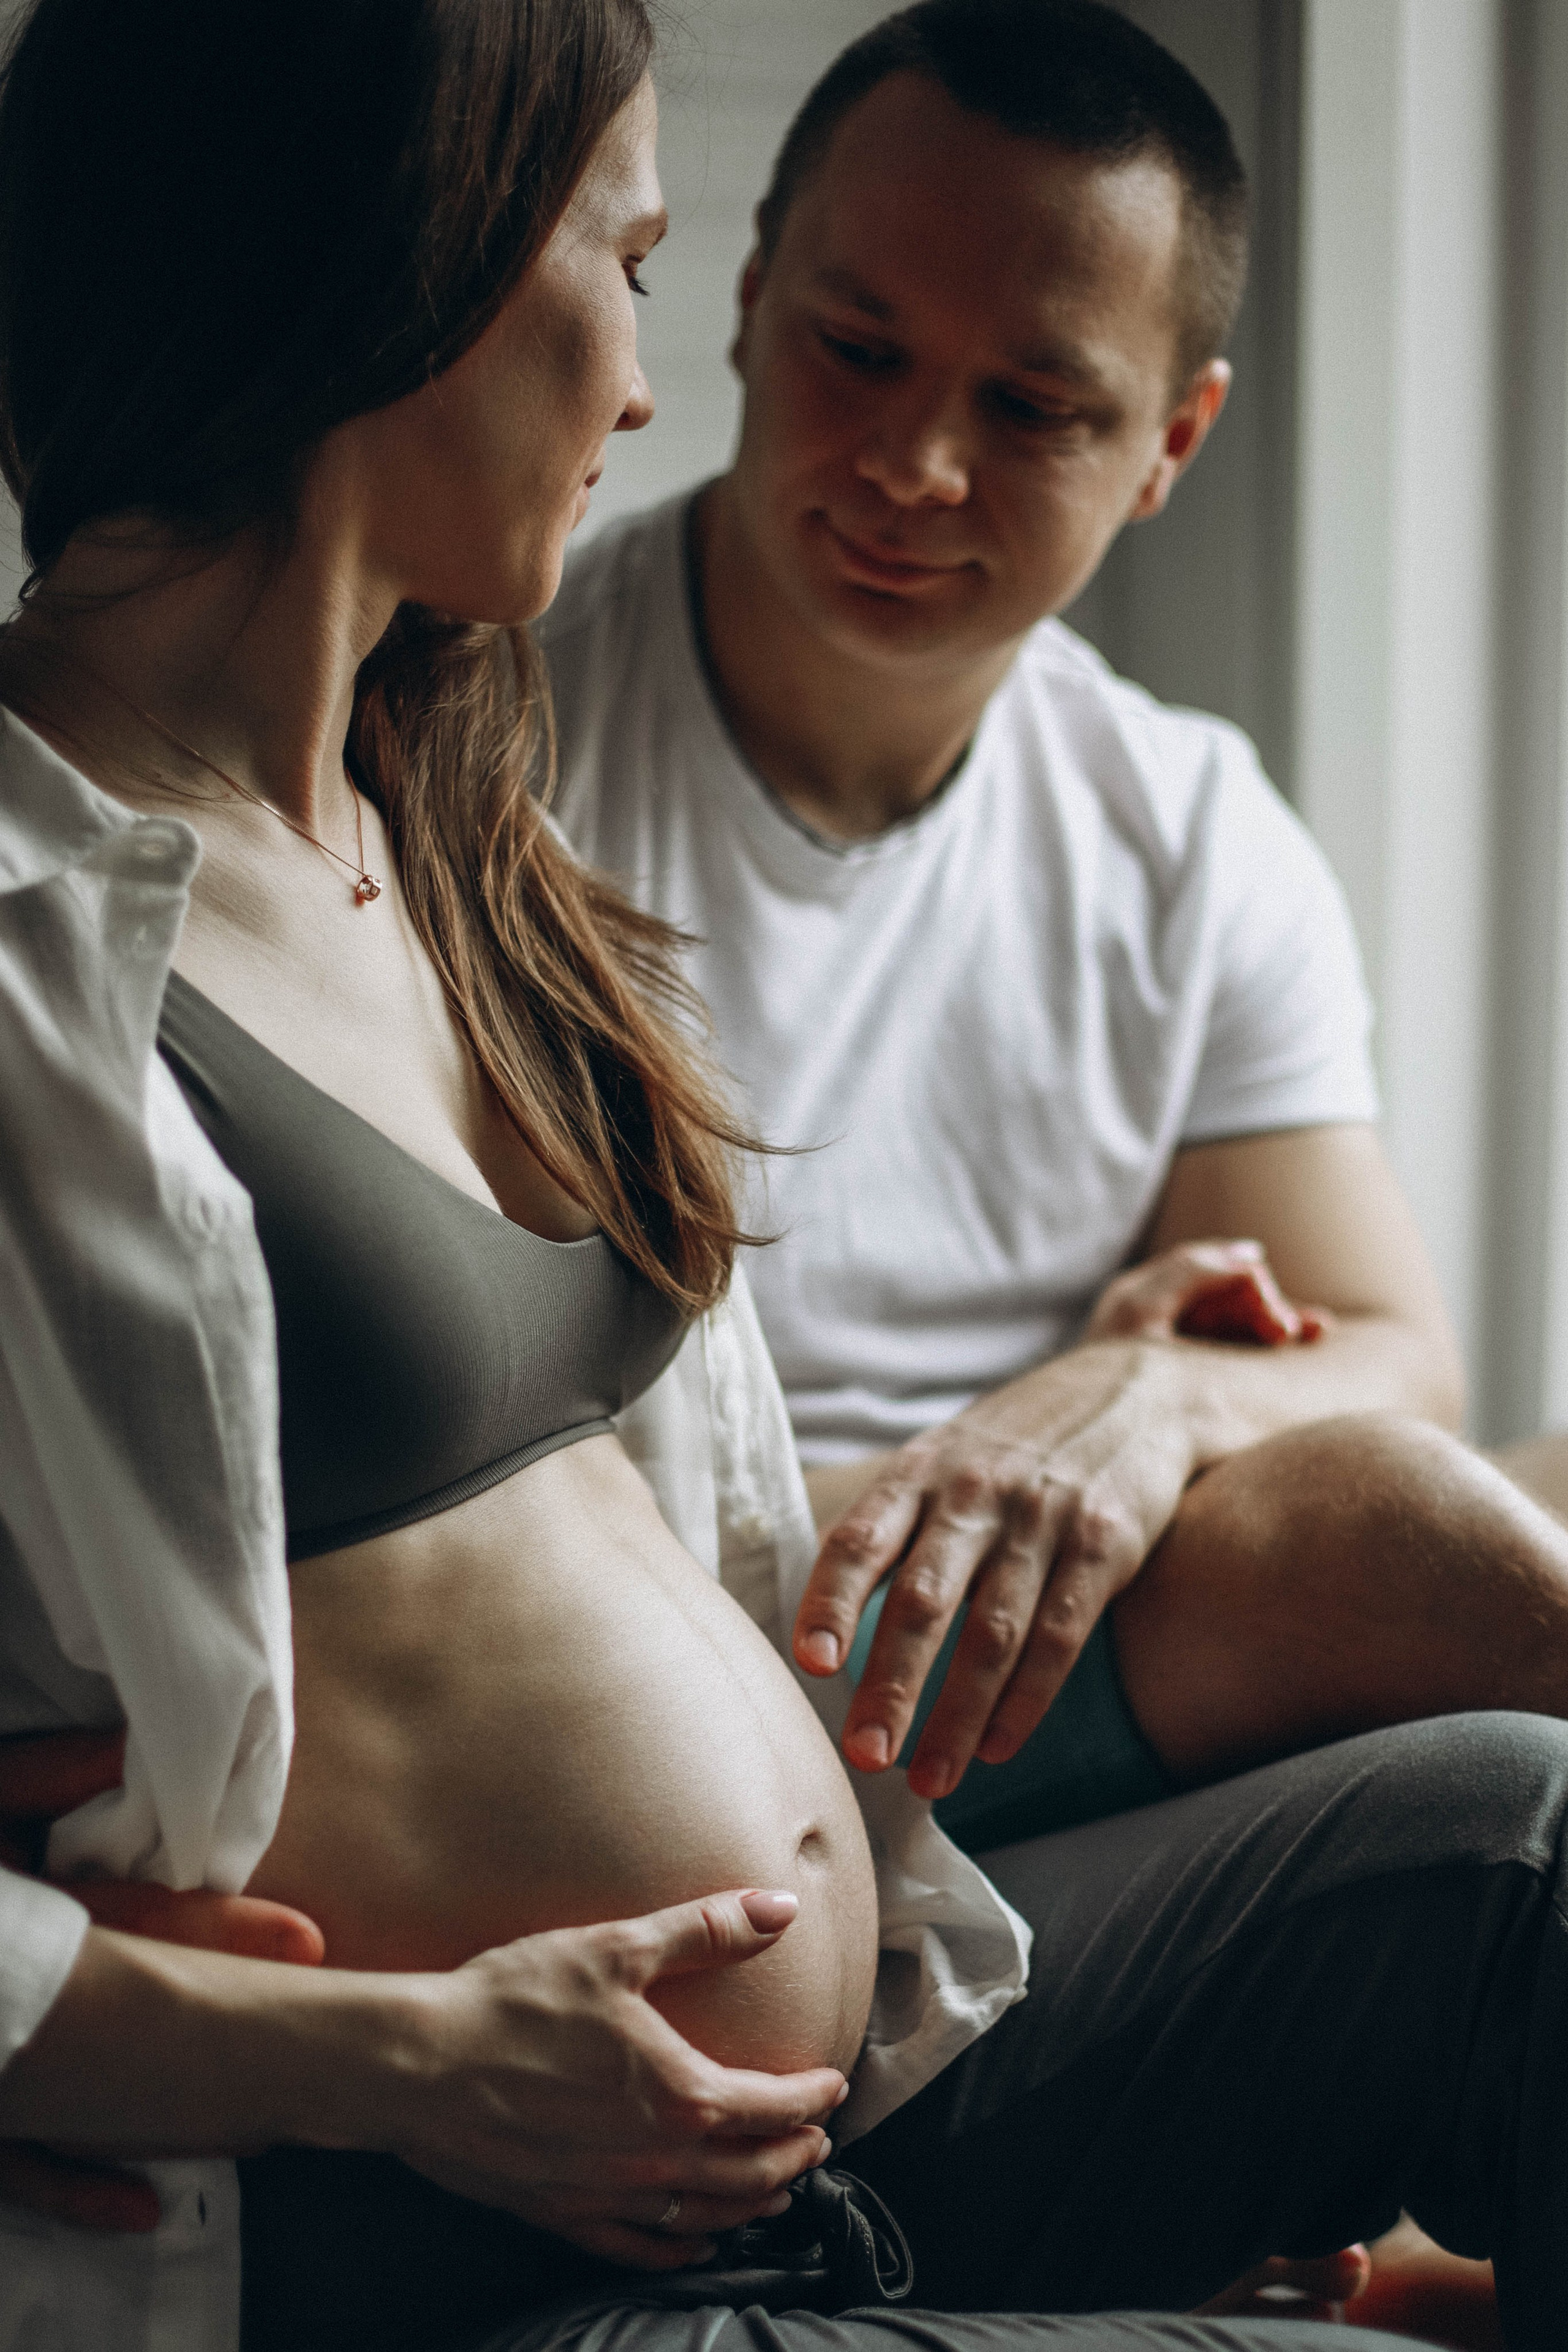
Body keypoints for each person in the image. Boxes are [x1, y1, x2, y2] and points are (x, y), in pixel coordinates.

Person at [0, 6, 1561, 2352]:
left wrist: (1133, 1410)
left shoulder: (442, 832)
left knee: (1528, 1850)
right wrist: (361, 2058)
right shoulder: (34, 909)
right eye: (630, 262)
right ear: (412, 262)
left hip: (867, 2088)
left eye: (1036, 402)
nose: (645, 392)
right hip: (478, 2254)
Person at [540, 0, 1568, 1867]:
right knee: (1392, 1534)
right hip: (703, 1643)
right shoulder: (482, 745)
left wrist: (1145, 1391)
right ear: (753, 296)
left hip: (1078, 1609)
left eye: (1035, 407)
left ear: (1172, 441)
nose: (918, 464)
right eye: (859, 348)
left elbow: (1397, 1346)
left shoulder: (1186, 827)